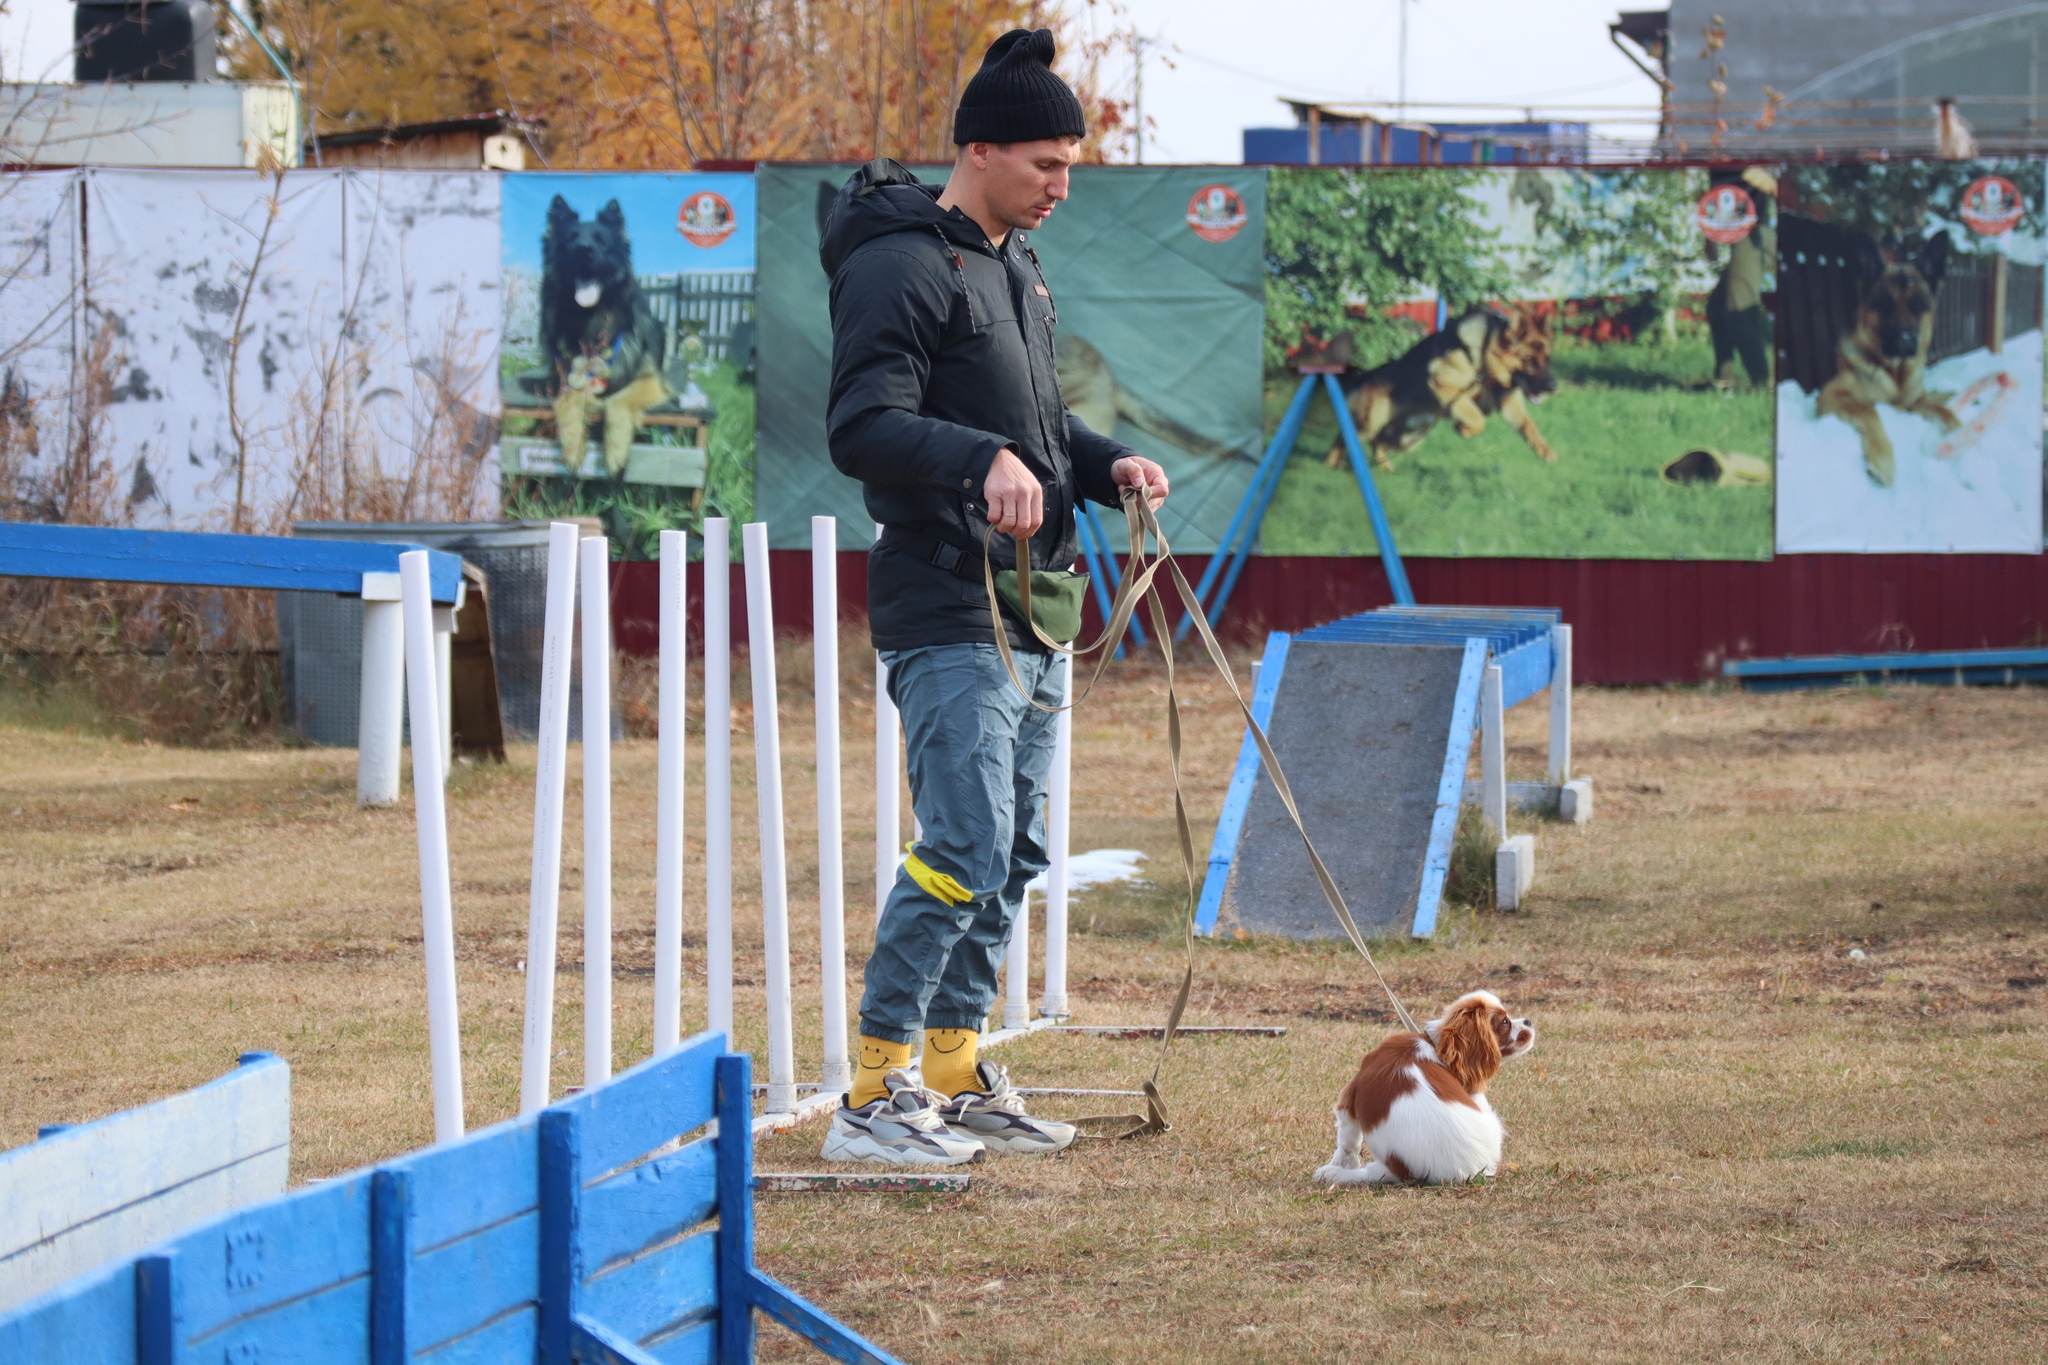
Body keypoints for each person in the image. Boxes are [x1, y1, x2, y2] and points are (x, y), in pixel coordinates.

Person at [815, 27, 1170, 1166]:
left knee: (1014, 851)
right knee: (961, 841)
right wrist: (977, 461)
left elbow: (1036, 431)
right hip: (943, 602)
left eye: (1070, 164)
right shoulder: (897, 262)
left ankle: (959, 1072)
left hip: (1031, 608)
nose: (1062, 187)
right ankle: (872, 1093)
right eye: (1045, 165)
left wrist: (1104, 462)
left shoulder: (1012, 263)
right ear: (978, 149)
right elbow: (859, 426)